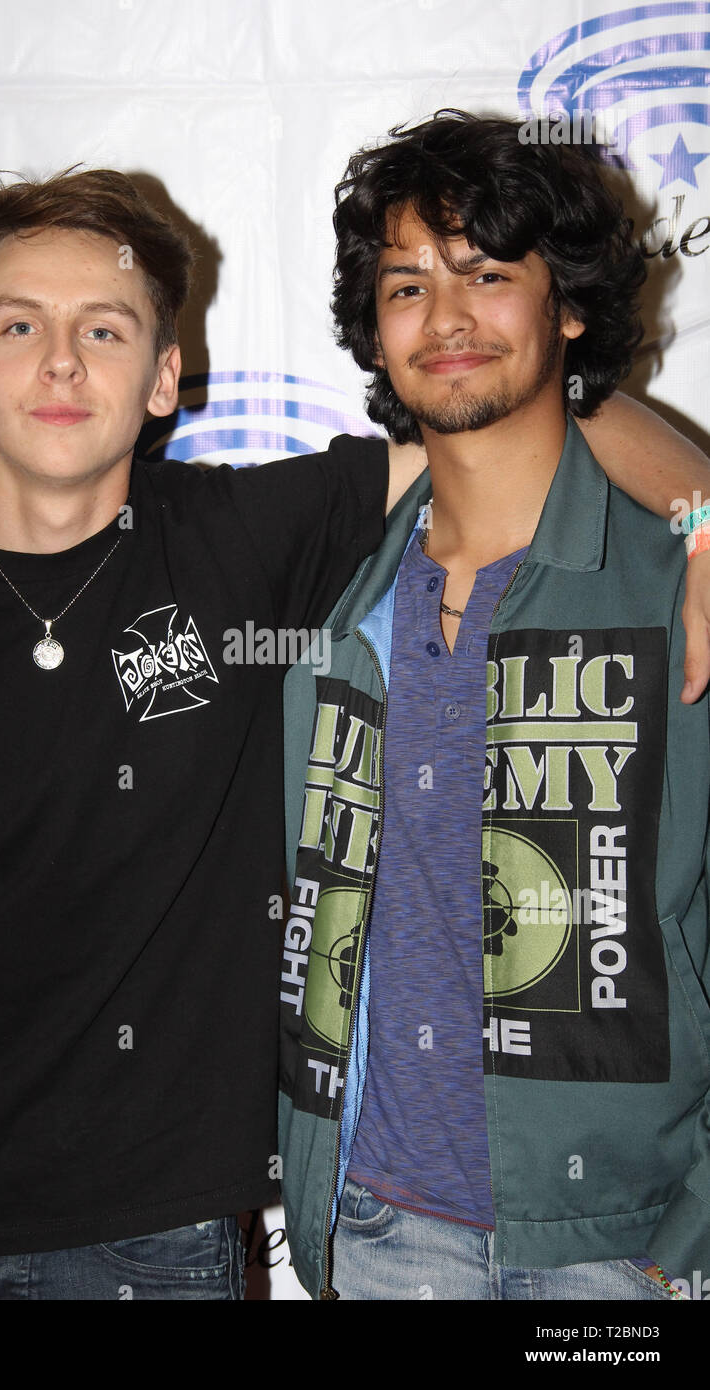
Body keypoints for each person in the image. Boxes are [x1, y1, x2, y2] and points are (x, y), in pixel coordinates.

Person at [0, 156, 710, 1301]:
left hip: (180, 1238)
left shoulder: (250, 541)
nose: (60, 361)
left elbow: (525, 398)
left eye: (105, 330)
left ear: (166, 375)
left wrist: (707, 517)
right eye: (19, 326)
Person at [278, 109, 710, 1301]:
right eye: (407, 284)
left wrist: (684, 1243)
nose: (447, 317)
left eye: (486, 273)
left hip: (619, 1248)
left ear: (566, 306)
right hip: (377, 1233)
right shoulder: (324, 591)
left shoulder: (678, 588)